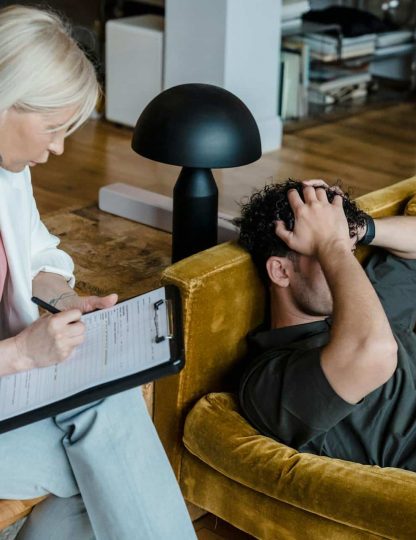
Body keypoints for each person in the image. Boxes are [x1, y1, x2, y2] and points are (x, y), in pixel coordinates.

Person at [0, 5, 195, 539]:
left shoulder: (6, 171)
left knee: (109, 433)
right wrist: (18, 353)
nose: (59, 148)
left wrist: (60, 298)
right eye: (53, 128)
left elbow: (37, 253)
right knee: (112, 450)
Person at [237, 178, 416, 485]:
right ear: (281, 271)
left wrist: (358, 228)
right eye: (325, 254)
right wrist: (332, 244)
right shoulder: (268, 381)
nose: (347, 266)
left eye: (350, 252)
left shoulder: (359, 301)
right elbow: (375, 352)